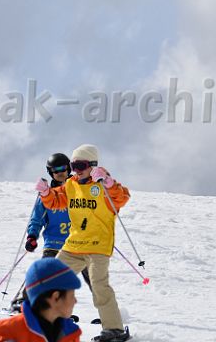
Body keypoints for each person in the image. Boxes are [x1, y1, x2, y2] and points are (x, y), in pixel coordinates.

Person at [35, 144, 131, 342]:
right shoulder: (71, 184)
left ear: (93, 165)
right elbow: (57, 200)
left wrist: (109, 183)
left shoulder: (102, 185)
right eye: (74, 166)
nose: (77, 170)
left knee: (99, 285)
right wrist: (46, 193)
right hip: (75, 245)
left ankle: (114, 329)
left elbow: (121, 198)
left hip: (98, 245)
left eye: (81, 165)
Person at [10, 154, 93, 319]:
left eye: (63, 168)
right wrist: (32, 236)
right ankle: (23, 303)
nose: (60, 172)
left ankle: (109, 315)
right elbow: (36, 219)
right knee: (45, 273)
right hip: (54, 243)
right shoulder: (46, 195)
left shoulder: (78, 190)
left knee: (94, 277)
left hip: (79, 243)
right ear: (51, 173)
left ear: (69, 168)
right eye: (56, 170)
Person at [0, 258, 82, 342]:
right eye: (72, 295)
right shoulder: (6, 333)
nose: (75, 301)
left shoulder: (70, 333)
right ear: (55, 297)